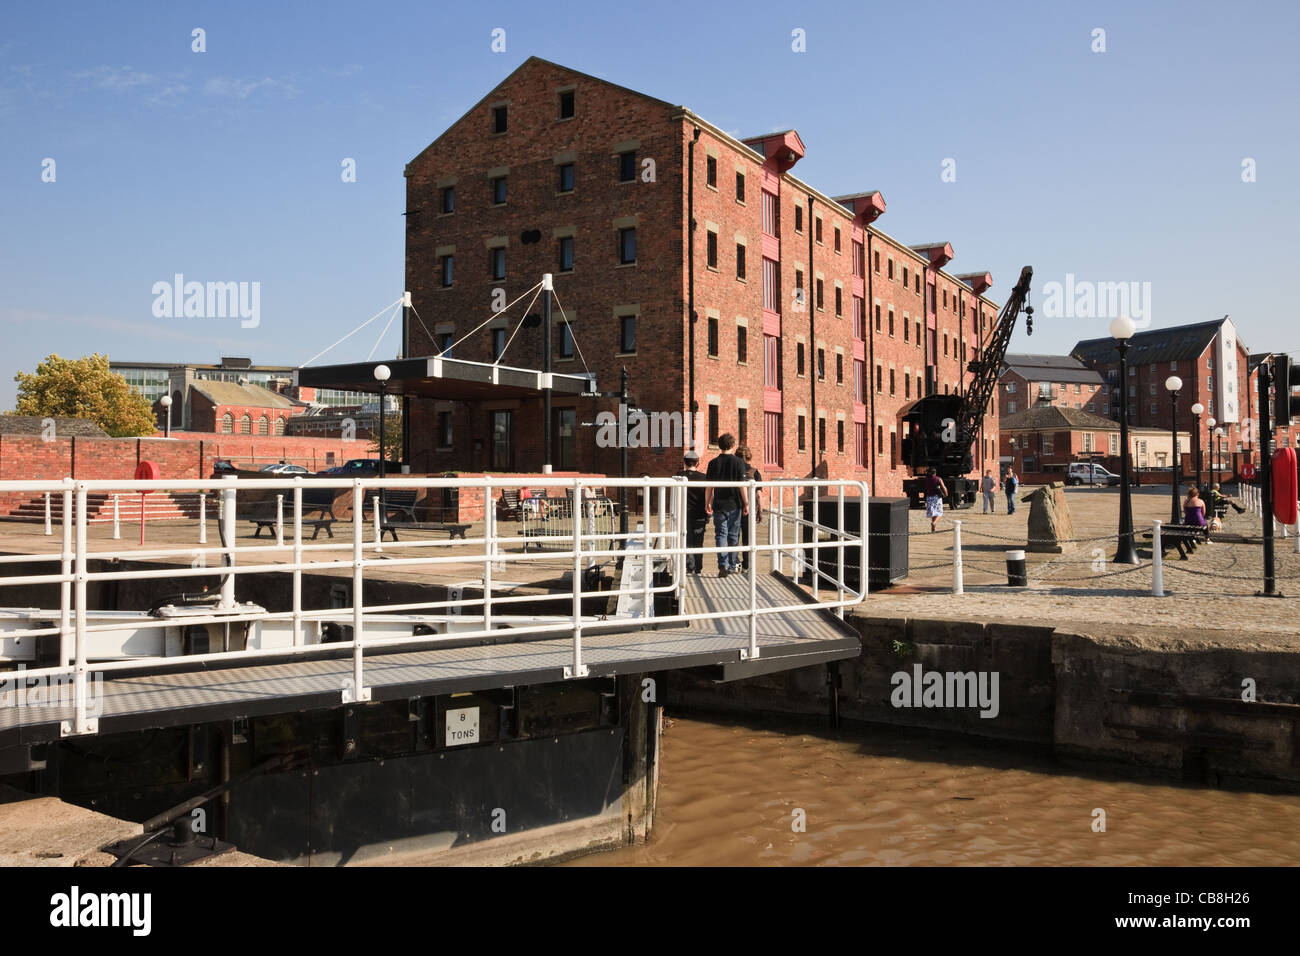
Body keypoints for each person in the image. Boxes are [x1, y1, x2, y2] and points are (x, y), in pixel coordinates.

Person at [704, 433, 749, 576]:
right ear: (732, 445)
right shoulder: (738, 463)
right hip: (734, 504)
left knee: (720, 535)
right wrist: (746, 503)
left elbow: (709, 487)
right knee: (733, 535)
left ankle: (722, 564)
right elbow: (742, 486)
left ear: (719, 445)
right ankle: (731, 564)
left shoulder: (712, 463)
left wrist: (708, 503)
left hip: (719, 504)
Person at [675, 451, 708, 574]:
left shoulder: (679, 476)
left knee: (687, 540)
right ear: (698, 463)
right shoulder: (704, 478)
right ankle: (698, 568)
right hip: (700, 514)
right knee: (698, 542)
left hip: (684, 514)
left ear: (684, 462)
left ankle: (690, 567)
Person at [737, 445, 764, 571]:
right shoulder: (755, 472)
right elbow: (759, 494)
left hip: (736, 507)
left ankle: (734, 563)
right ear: (750, 457)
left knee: (733, 537)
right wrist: (761, 511)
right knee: (748, 539)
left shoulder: (735, 470)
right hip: (750, 510)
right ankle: (747, 565)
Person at [923, 468, 948, 532]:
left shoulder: (926, 480)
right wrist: (946, 494)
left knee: (933, 513)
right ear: (935, 473)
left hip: (929, 497)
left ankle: (934, 529)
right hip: (936, 497)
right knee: (939, 512)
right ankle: (934, 523)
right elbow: (943, 487)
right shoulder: (938, 479)